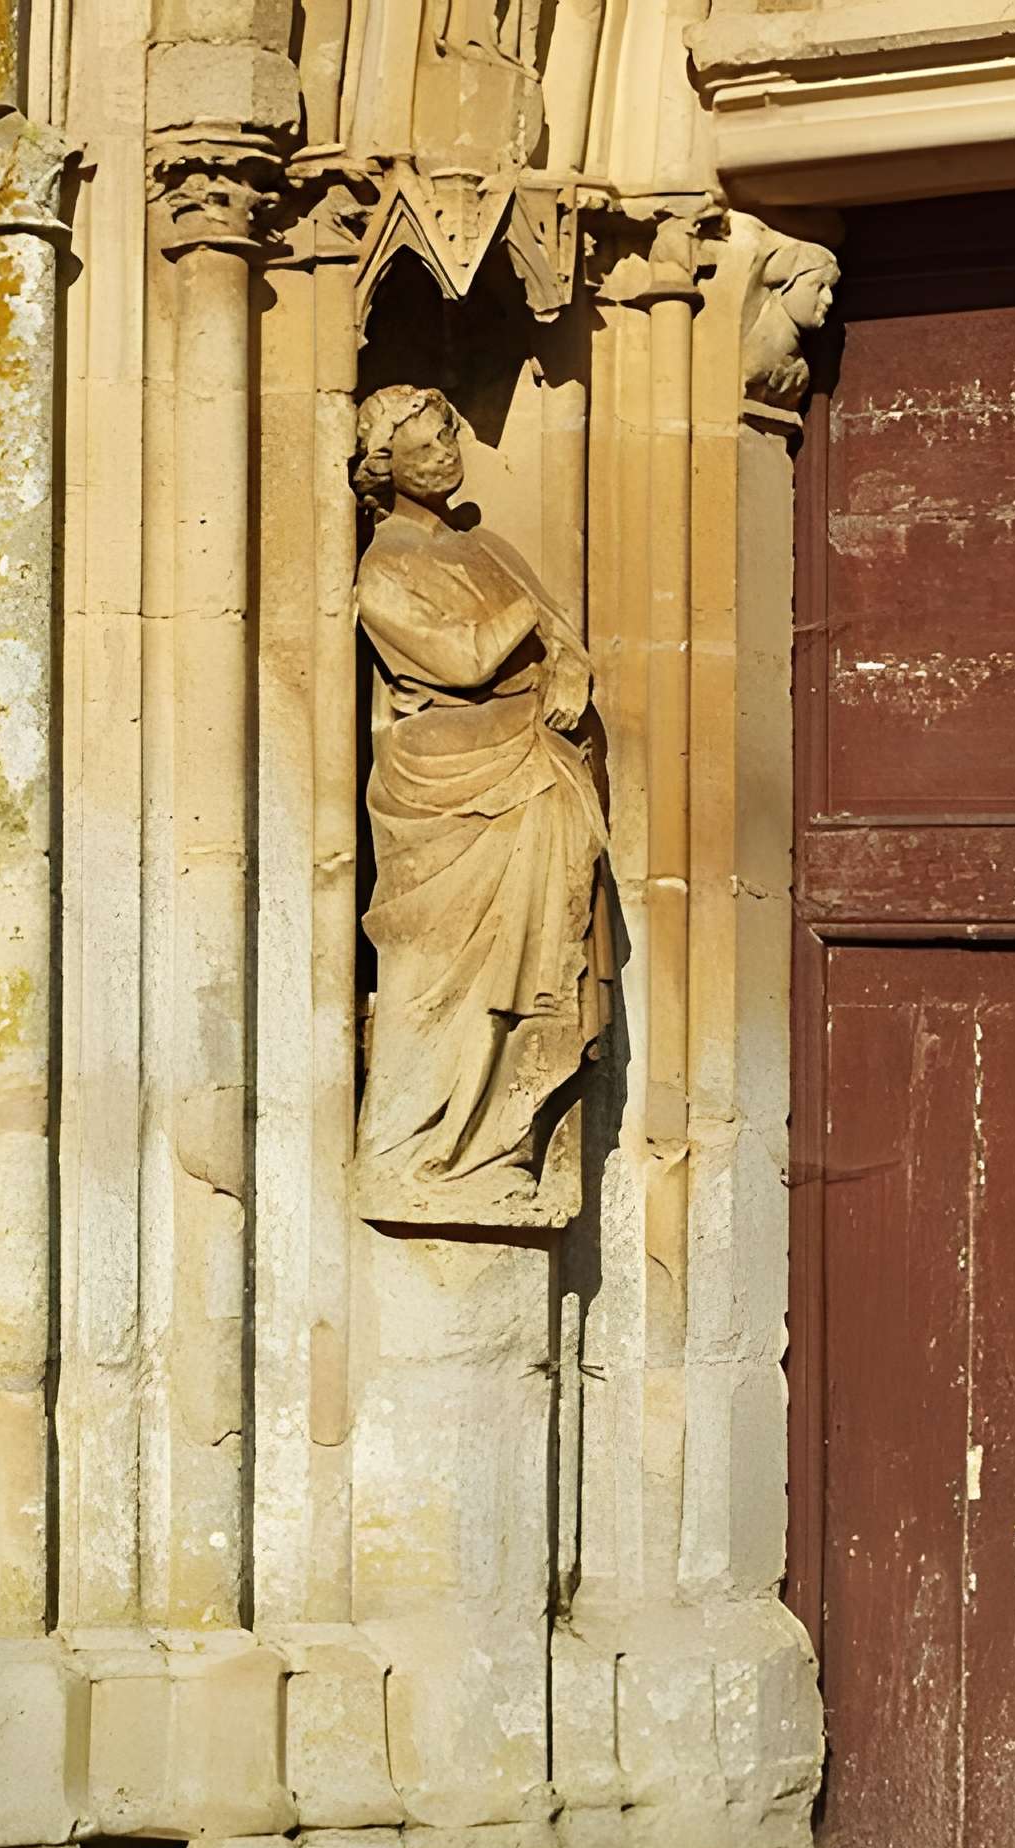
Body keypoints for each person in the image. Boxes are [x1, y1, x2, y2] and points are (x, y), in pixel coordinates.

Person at [351, 383, 608, 1226]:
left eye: (451, 439)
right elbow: (458, 660)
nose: (448, 459)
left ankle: (499, 1139)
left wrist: (567, 669)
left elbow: (566, 647)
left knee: (530, 968)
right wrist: (524, 621)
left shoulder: (487, 546)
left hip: (526, 777)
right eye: (426, 451)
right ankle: (411, 1152)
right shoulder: (383, 569)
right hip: (443, 792)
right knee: (433, 979)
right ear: (387, 470)